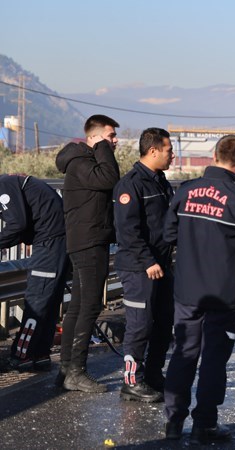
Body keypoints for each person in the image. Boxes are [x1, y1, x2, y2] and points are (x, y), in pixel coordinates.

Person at [163, 135, 235, 444]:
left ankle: (173, 422)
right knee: (212, 358)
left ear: (213, 156)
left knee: (183, 352)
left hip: (187, 290)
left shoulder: (186, 190)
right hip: (224, 294)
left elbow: (167, 233)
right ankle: (204, 424)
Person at [55, 114, 120, 393]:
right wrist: (101, 147)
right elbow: (110, 178)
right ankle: (76, 372)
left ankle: (66, 369)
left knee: (79, 306)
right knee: (90, 305)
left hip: (88, 240)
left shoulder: (81, 162)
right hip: (89, 242)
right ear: (94, 137)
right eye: (111, 136)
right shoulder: (83, 163)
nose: (115, 142)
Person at [113, 128, 175, 403]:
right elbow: (127, 231)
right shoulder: (131, 184)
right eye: (169, 150)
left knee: (164, 322)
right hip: (139, 267)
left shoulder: (161, 181)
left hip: (162, 265)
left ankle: (153, 374)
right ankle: (132, 381)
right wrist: (148, 260)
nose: (172, 155)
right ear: (153, 151)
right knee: (139, 326)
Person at [0, 175, 68, 371]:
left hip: (49, 243)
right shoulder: (11, 184)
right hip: (56, 241)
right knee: (49, 300)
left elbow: (17, 225)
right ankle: (39, 353)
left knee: (37, 301)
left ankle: (22, 355)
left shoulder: (4, 186)